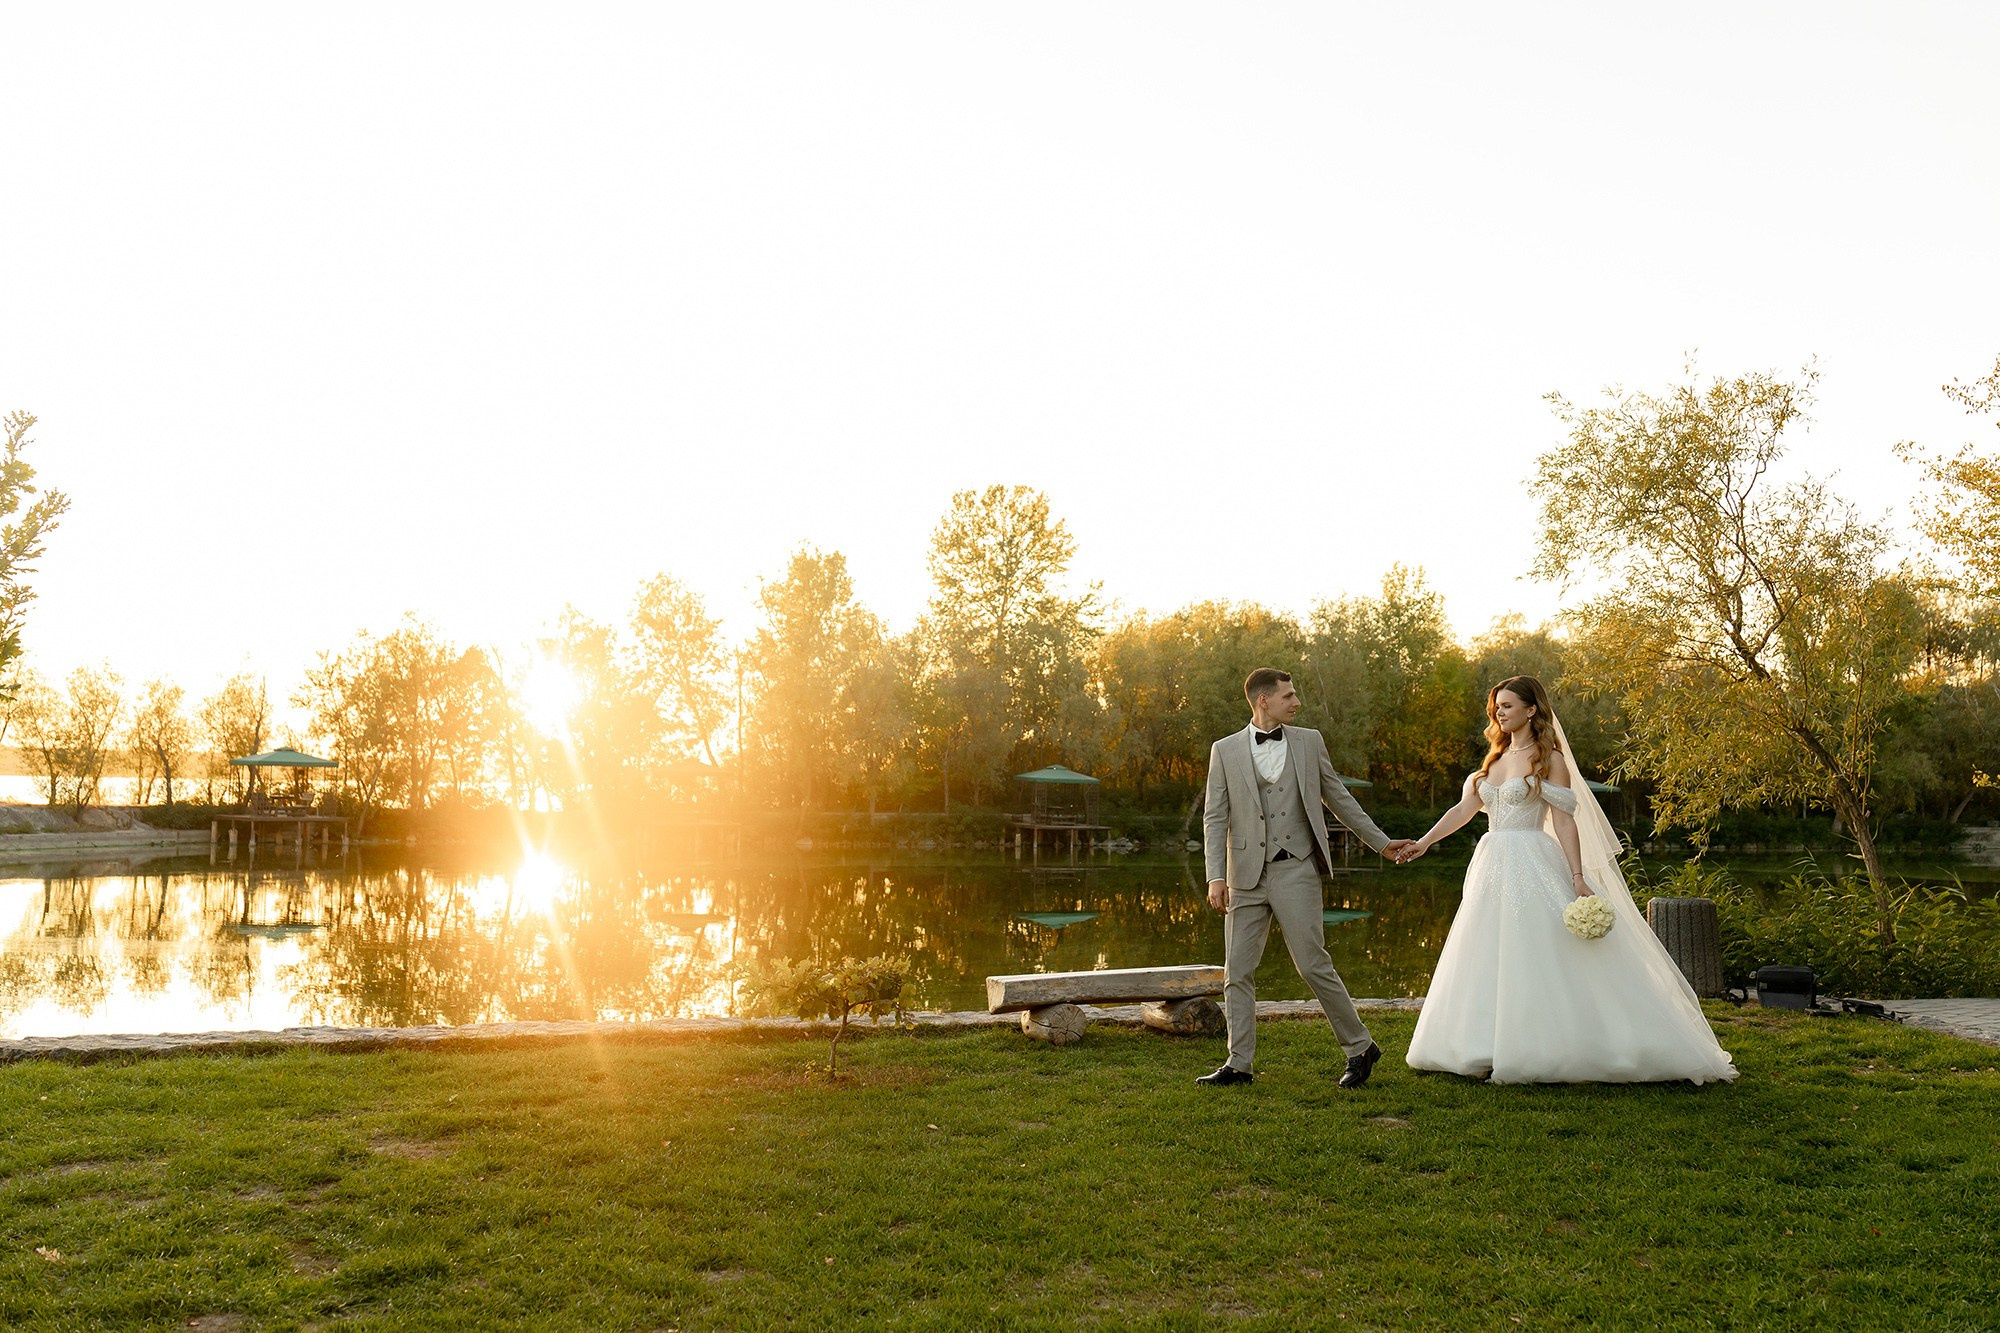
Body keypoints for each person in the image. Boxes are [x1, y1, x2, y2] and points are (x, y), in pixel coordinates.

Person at [1397, 675, 1737, 1085]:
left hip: (1533, 860)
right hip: (1491, 864)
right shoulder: (1493, 761)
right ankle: (1480, 1043)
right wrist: (1425, 841)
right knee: (1484, 948)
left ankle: (1548, 1043)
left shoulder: (1550, 759)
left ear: (1531, 710)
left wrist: (1577, 876)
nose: (1499, 713)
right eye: (1496, 707)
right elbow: (1464, 809)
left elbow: (1563, 819)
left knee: (1539, 951)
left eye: (1507, 705)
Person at [1198, 668, 1418, 1089]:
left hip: (1295, 868)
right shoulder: (1223, 750)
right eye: (1289, 696)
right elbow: (1214, 817)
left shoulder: (1308, 741)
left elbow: (1339, 798)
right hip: (1244, 875)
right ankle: (1238, 1063)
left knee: (1313, 965)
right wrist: (1215, 876)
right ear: (1264, 700)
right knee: (1237, 972)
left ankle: (1359, 1047)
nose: (1296, 702)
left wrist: (1382, 843)